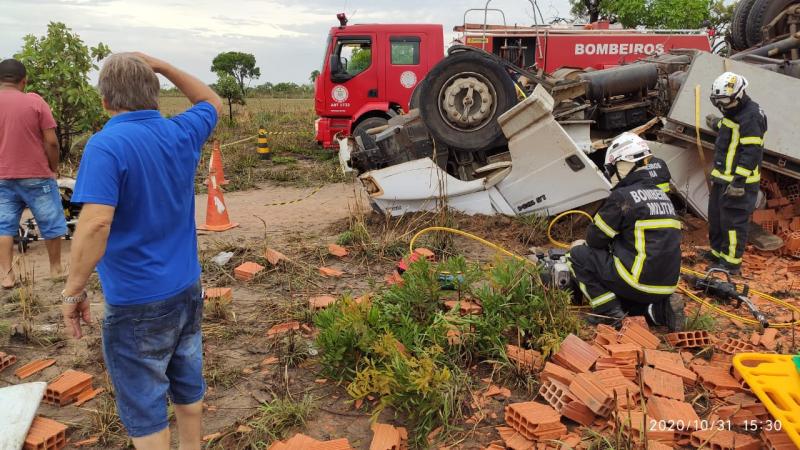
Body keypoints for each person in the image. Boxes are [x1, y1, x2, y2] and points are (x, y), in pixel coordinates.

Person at [60, 53, 222, 449]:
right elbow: (212, 102)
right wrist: (165, 66)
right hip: (186, 288)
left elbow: (97, 223)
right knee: (187, 382)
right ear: (155, 94)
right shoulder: (181, 131)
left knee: (145, 405)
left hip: (136, 303)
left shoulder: (106, 145)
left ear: (104, 100)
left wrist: (74, 290)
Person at [566, 133, 685, 330]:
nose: (611, 174)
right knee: (627, 293)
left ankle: (608, 313)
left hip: (637, 281)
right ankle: (658, 309)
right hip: (667, 284)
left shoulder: (623, 196)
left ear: (624, 164)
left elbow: (595, 240)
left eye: (612, 169)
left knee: (577, 254)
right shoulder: (663, 197)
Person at [0, 58, 66, 287]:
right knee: (51, 221)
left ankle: (7, 275)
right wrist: (53, 168)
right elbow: (51, 142)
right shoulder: (35, 102)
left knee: (3, 225)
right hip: (36, 174)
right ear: (24, 81)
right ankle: (56, 269)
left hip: (2, 176)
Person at [704, 72, 766, 275]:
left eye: (724, 102)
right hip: (723, 177)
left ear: (739, 95)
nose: (721, 107)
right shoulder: (734, 111)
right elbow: (729, 127)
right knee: (716, 218)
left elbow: (751, 152)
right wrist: (716, 124)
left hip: (740, 182)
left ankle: (730, 264)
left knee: (733, 223)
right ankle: (717, 254)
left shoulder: (751, 116)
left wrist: (739, 182)